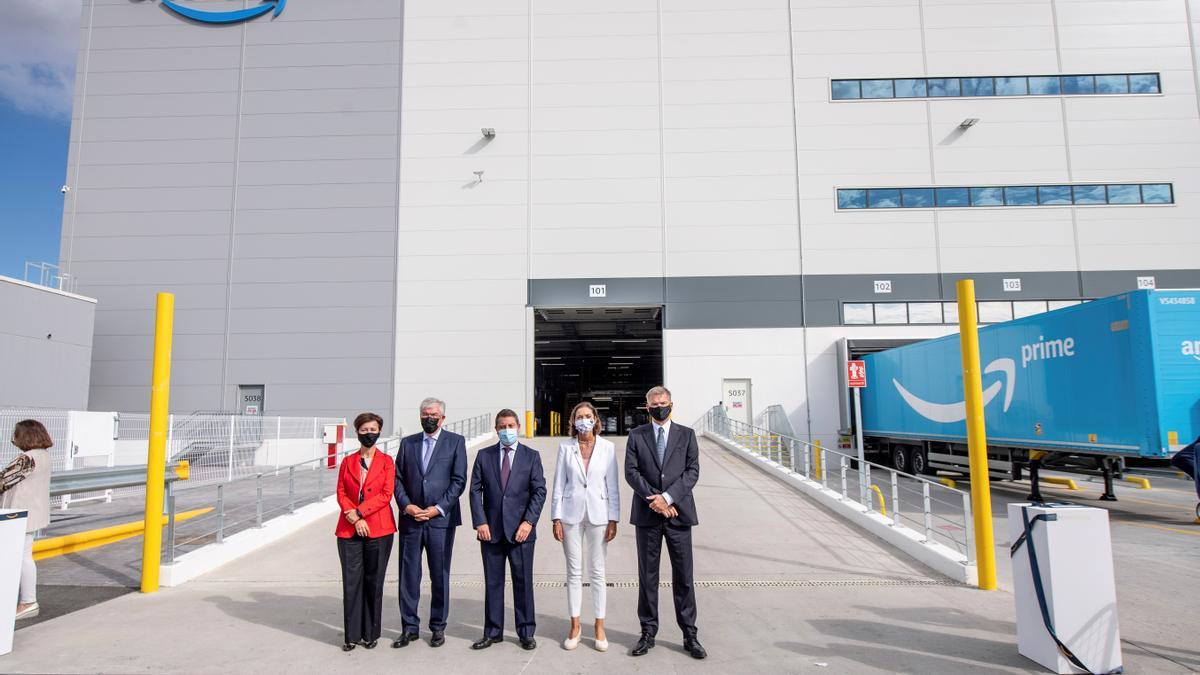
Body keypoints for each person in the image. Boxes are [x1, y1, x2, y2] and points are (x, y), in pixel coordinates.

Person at [625, 386, 706, 659]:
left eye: (663, 402)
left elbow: (692, 471)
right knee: (647, 577)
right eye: (654, 404)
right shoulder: (636, 436)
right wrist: (655, 499)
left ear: (671, 404)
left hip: (678, 514)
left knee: (683, 576)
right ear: (647, 408)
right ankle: (648, 632)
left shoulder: (687, 435)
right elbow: (631, 472)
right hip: (648, 516)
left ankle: (690, 634)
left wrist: (669, 498)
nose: (659, 407)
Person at [392, 397, 467, 648]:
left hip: (440, 522)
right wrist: (407, 506)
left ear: (443, 417)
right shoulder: (408, 443)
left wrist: (437, 509)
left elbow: (458, 481)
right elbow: (398, 479)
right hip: (411, 520)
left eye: (433, 414)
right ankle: (409, 627)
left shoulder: (455, 442)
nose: (429, 418)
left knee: (440, 575)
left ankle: (438, 627)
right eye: (424, 414)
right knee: (409, 575)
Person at [468, 409, 546, 651]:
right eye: (502, 426)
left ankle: (525, 632)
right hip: (490, 531)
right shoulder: (484, 455)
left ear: (519, 427)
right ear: (496, 429)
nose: (506, 430)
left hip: (521, 532)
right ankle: (493, 632)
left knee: (523, 582)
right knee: (493, 583)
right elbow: (474, 491)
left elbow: (539, 491)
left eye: (510, 425)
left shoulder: (531, 456)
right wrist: (480, 522)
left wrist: (528, 522)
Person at [551, 401, 619, 652]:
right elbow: (559, 483)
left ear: (595, 419)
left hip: (599, 514)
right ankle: (575, 625)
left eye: (588, 416)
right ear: (573, 422)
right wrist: (555, 518)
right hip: (571, 514)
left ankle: (599, 626)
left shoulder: (608, 448)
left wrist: (614, 518)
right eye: (579, 417)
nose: (584, 420)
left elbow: (612, 485)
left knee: (598, 571)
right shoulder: (565, 447)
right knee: (574, 572)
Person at [334, 412, 397, 652]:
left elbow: (385, 494)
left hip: (379, 529)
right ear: (357, 432)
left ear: (379, 432)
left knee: (374, 581)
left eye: (373, 429)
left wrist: (360, 513)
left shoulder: (387, 461)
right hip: (348, 530)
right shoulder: (348, 461)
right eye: (364, 430)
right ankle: (351, 635)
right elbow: (341, 492)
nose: (369, 433)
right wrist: (352, 515)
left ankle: (370, 633)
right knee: (352, 583)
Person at [1, 420, 52, 621]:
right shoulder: (44, 456)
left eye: (16, 434)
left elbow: (3, 480)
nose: (13, 437)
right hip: (33, 513)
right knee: (23, 556)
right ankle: (26, 600)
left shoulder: (26, 458)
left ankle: (28, 601)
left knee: (21, 557)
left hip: (16, 514)